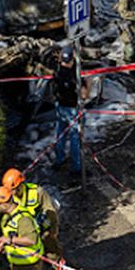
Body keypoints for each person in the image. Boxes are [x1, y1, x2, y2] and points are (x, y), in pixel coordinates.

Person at [1, 168, 61, 260]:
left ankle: (59, 269)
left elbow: (50, 210)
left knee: (52, 251)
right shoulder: (9, 198)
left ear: (20, 185)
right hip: (25, 232)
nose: (12, 193)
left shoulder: (36, 192)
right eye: (10, 190)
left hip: (42, 229)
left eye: (13, 189)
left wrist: (53, 230)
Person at [52, 45, 83, 186]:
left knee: (60, 134)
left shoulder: (57, 70)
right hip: (72, 108)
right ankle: (76, 168)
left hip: (60, 106)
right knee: (75, 138)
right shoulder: (71, 77)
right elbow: (82, 94)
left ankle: (59, 159)